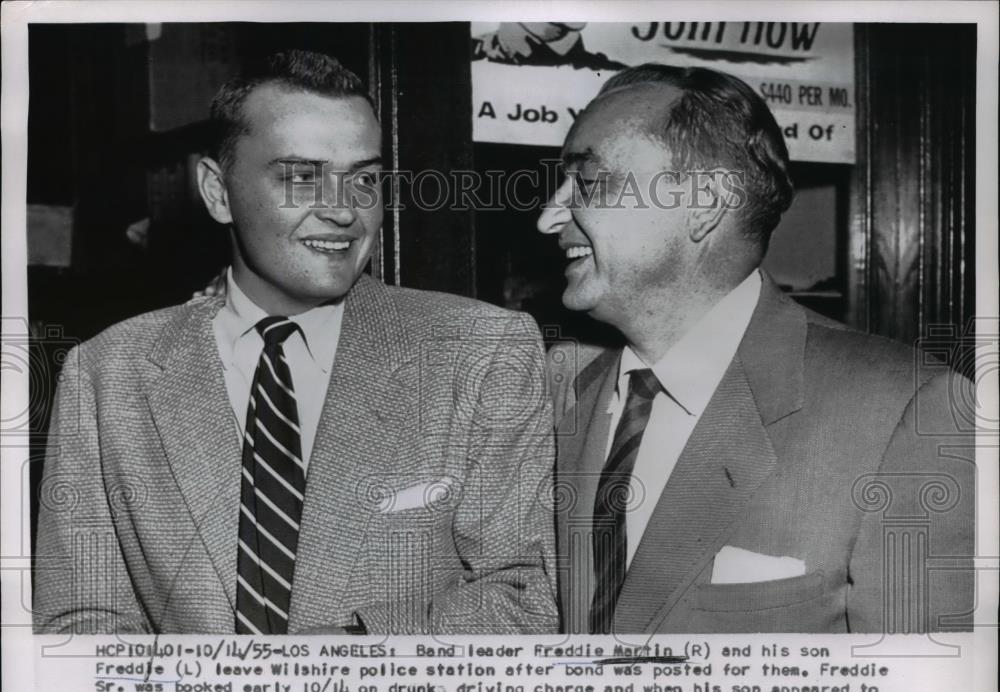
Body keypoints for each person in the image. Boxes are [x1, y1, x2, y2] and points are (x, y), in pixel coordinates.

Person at [33, 50, 558, 635]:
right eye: (301, 177)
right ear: (216, 192)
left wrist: (319, 669)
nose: (342, 211)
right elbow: (79, 625)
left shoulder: (480, 351)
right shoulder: (107, 373)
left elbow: (527, 597)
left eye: (364, 178)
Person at [539, 64, 975, 634]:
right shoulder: (556, 390)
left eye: (589, 182)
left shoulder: (907, 413)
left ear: (705, 203)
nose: (549, 215)